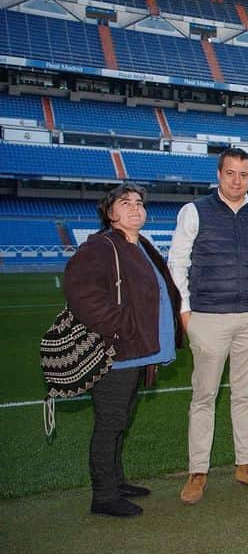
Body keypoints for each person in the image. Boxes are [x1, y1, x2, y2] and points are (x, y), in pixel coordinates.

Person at [170, 148, 248, 505]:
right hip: (208, 318)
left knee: (245, 395)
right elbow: (177, 264)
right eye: (230, 173)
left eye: (243, 174)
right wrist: (186, 314)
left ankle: (245, 465)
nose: (237, 180)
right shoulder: (194, 211)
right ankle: (198, 471)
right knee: (204, 397)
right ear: (219, 174)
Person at [63, 183, 181, 517]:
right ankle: (104, 495)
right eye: (125, 203)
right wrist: (118, 327)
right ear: (110, 212)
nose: (134, 208)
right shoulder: (101, 246)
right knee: (110, 421)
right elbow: (81, 293)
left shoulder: (140, 243)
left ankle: (116, 481)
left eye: (139, 203)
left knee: (121, 420)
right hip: (117, 352)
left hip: (139, 351)